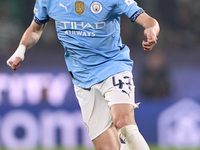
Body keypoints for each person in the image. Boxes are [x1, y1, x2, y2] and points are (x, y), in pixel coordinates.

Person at [7, 0, 160, 149]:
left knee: (123, 123)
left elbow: (148, 20)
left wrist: (152, 30)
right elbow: (35, 29)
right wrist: (20, 51)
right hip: (82, 79)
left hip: (113, 66)